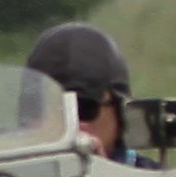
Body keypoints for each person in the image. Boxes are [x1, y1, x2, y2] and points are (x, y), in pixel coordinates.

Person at [26, 20, 129, 154]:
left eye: (86, 108)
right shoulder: (4, 174)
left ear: (119, 114)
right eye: (61, 108)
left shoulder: (148, 174)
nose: (76, 126)